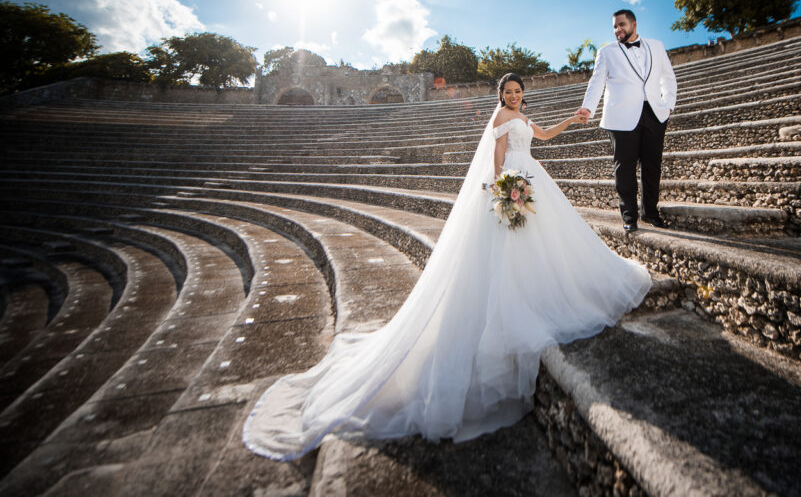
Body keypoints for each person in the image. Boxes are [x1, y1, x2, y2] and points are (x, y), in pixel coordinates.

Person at [243, 73, 652, 459]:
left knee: (549, 243)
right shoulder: (500, 116)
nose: (513, 96)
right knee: (514, 251)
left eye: (517, 91)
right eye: (508, 92)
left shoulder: (523, 116)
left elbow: (541, 137)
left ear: (523, 93)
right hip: (513, 184)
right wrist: (501, 190)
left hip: (534, 178)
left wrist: (573, 118)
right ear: (500, 95)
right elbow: (495, 156)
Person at [576, 9, 677, 232]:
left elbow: (668, 77)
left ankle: (650, 213)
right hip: (620, 116)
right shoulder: (606, 52)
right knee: (625, 169)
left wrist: (669, 105)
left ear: (633, 24)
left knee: (652, 166)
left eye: (621, 24)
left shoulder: (657, 46)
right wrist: (588, 108)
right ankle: (629, 217)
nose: (617, 29)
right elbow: (597, 82)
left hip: (655, 113)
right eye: (614, 26)